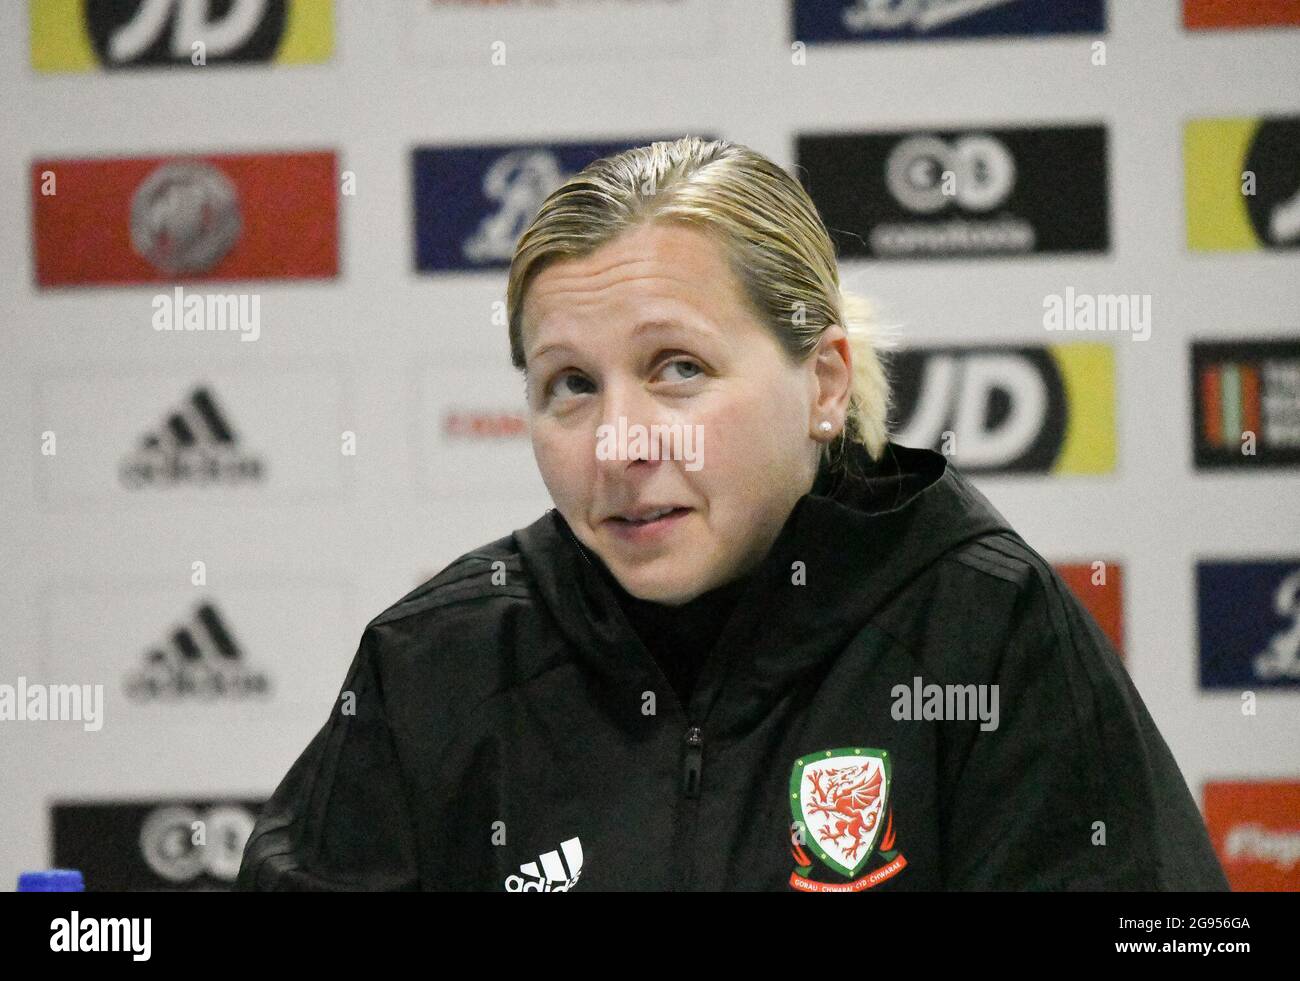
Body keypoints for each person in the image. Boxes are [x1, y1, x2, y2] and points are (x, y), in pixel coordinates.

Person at [236, 136, 1228, 892]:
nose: (619, 444)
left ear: (824, 384)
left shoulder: (984, 635)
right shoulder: (438, 664)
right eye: (570, 385)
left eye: (678, 369)